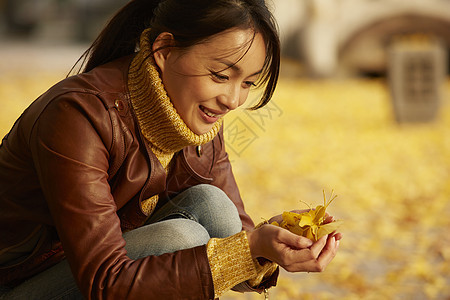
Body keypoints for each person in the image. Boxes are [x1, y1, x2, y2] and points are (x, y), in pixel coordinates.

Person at [0, 0, 342, 299]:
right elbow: (106, 283)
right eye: (221, 75)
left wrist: (274, 244)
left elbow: (235, 241)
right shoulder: (78, 116)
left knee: (211, 203)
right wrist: (251, 247)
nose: (233, 100)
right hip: (19, 284)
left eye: (248, 83)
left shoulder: (196, 122)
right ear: (164, 51)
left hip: (92, 275)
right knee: (184, 234)